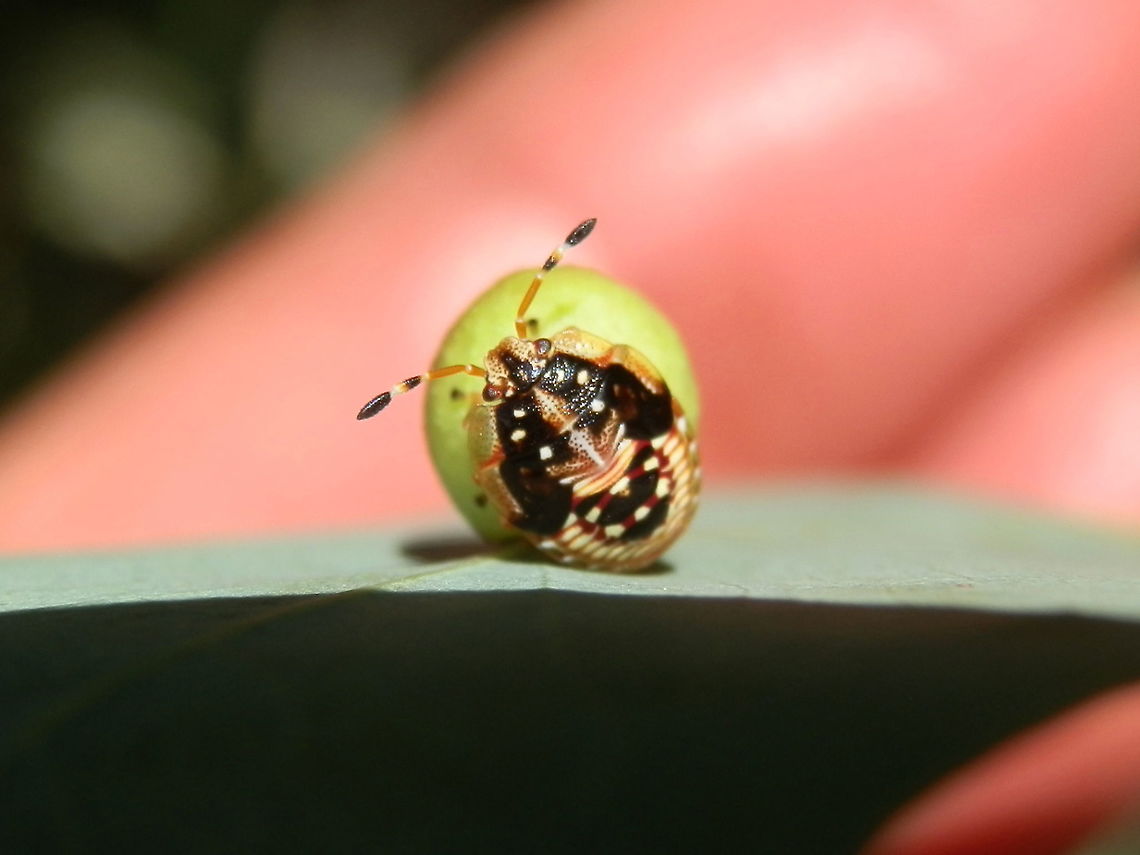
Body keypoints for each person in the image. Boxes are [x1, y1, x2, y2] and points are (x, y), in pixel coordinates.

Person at [0, 1, 1136, 851]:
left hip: (627, 503)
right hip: (632, 499)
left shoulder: (548, 405)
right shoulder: (545, 406)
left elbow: (600, 406)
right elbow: (605, 406)